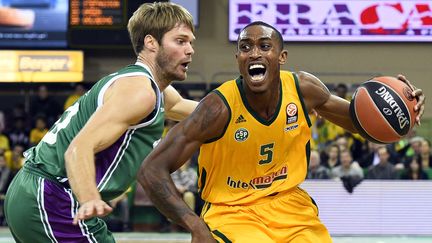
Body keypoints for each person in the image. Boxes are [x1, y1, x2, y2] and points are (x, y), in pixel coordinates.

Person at [138, 21, 425, 242]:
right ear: (238, 57)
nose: (254, 53)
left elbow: (362, 125)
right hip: (233, 211)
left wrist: (403, 116)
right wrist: (194, 224)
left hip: (289, 205)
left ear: (281, 56)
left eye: (264, 46)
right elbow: (151, 170)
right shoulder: (217, 108)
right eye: (246, 47)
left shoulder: (303, 90)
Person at [4, 2, 198, 242]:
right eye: (180, 41)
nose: (190, 50)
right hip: (53, 197)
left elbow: (187, 109)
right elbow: (78, 148)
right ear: (151, 43)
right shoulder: (139, 92)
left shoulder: (146, 86)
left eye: (191, 42)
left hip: (39, 192)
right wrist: (89, 199)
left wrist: (246, 108)